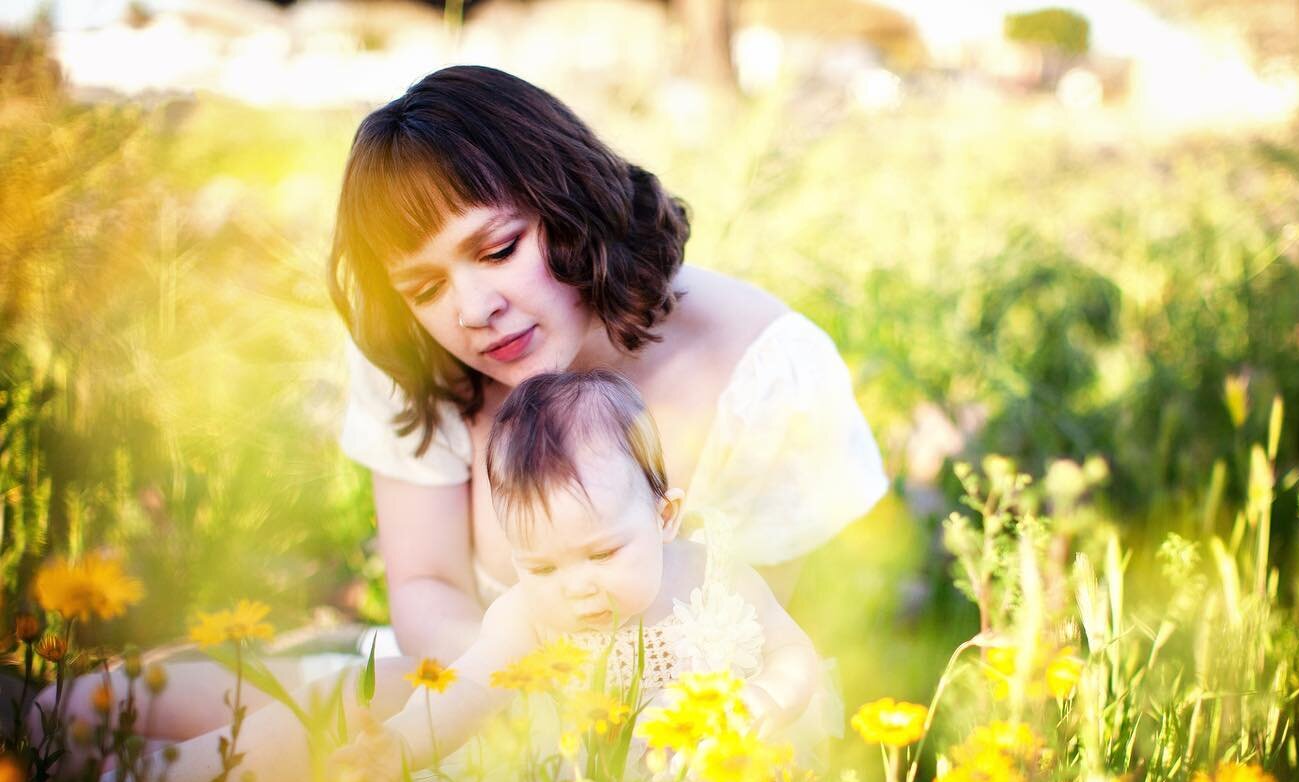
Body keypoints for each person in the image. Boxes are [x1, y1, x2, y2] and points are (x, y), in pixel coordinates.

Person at [330, 64, 888, 668]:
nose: (472, 310)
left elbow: (755, 647)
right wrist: (526, 707)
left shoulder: (766, 375)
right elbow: (427, 588)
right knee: (227, 712)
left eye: (498, 250)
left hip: (702, 730)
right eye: (424, 286)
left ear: (572, 203)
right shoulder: (415, 353)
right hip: (483, 697)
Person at [333, 370, 824, 782]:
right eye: (542, 567)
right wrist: (400, 746)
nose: (577, 588)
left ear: (664, 518)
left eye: (603, 555)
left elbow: (792, 650)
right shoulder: (526, 618)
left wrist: (760, 702)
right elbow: (469, 690)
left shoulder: (714, 576)